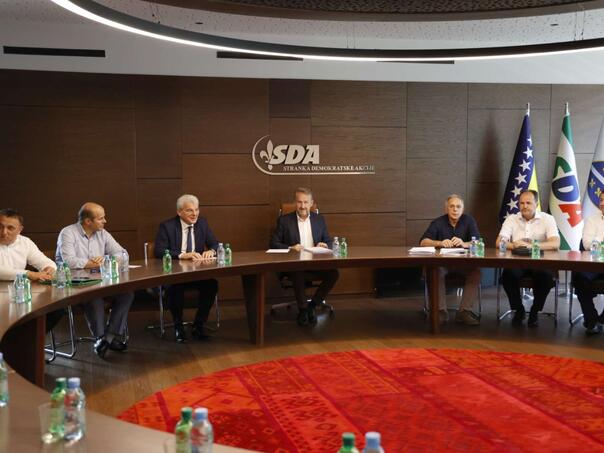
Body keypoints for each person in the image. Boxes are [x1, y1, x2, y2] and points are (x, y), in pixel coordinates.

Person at [56, 202, 133, 358]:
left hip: (101, 282)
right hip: (75, 285)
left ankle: (107, 338)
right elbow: (68, 261)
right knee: (94, 296)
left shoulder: (102, 233)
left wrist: (106, 259)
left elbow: (123, 254)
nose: (105, 221)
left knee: (127, 293)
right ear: (88, 221)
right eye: (101, 218)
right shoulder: (68, 233)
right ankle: (100, 337)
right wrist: (95, 263)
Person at [269, 187, 340, 326]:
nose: (302, 206)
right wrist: (290, 248)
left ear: (311, 203)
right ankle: (302, 310)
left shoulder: (319, 219)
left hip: (316, 264)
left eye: (306, 202)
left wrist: (325, 245)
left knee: (334, 274)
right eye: (299, 202)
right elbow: (273, 243)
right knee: (298, 271)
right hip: (294, 265)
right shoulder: (284, 220)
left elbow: (329, 241)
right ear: (295, 203)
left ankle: (312, 306)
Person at [154, 194, 218, 343]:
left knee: (212, 285)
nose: (194, 214)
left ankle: (198, 325)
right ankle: (178, 327)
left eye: (196, 209)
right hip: (175, 274)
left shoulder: (202, 223)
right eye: (190, 210)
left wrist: (212, 250)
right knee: (175, 288)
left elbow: (215, 243)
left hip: (196, 273)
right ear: (179, 212)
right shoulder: (167, 226)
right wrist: (182, 255)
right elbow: (159, 251)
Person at [496, 190, 560, 327]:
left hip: (540, 261)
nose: (524, 206)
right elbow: (499, 242)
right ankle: (519, 310)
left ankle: (535, 311)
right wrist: (513, 244)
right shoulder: (511, 219)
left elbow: (555, 243)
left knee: (545, 277)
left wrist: (533, 245)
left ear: (536, 204)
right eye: (522, 203)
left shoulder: (547, 219)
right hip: (518, 261)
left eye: (528, 203)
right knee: (508, 276)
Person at [419, 194, 482, 325]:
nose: (455, 209)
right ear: (446, 208)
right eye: (451, 206)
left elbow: (479, 242)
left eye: (458, 207)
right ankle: (440, 312)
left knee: (476, 272)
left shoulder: (469, 221)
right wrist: (440, 243)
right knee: (435, 271)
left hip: (463, 264)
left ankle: (464, 311)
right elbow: (423, 242)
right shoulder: (438, 222)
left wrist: (464, 243)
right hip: (443, 265)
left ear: (463, 209)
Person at [0, 208, 63, 332]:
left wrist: (49, 269)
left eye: (10, 228)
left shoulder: (25, 242)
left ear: (20, 230)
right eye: (0, 226)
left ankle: (29, 340)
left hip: (19, 294)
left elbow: (44, 261)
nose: (4, 232)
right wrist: (29, 274)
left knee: (57, 309)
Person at [571, 191, 604, 335]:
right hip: (593, 263)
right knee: (579, 276)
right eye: (601, 200)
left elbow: (594, 243)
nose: (602, 203)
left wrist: (598, 242)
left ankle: (602, 319)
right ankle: (591, 320)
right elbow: (586, 244)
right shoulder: (591, 220)